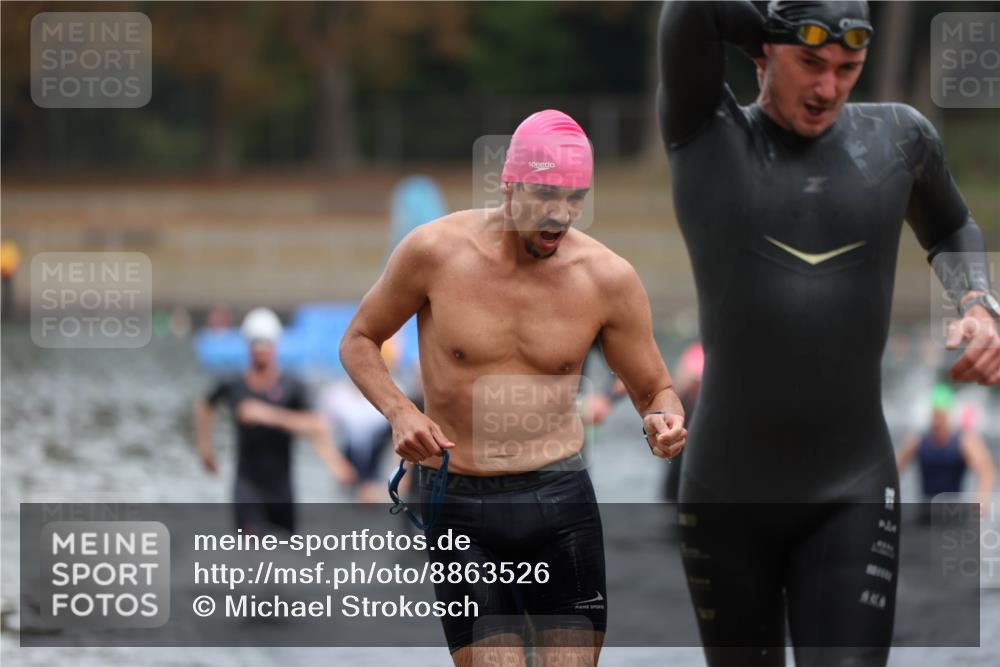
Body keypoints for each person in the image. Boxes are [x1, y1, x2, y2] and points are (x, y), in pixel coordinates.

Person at [657, 1, 1000, 665]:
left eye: (848, 67)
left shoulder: (898, 140)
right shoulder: (706, 134)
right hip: (728, 495)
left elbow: (953, 226)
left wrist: (979, 303)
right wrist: (770, 23)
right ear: (761, 51)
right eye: (809, 62)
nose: (828, 88)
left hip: (853, 490)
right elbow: (690, 12)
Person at [340, 109, 686, 666]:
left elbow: (656, 389)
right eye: (547, 193)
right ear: (510, 183)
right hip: (460, 505)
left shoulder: (606, 278)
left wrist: (662, 419)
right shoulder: (434, 252)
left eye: (575, 197)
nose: (560, 214)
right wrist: (401, 412)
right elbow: (358, 340)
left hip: (562, 502)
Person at [194, 307, 354, 534]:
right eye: (255, 344)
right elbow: (204, 406)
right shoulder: (233, 384)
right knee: (252, 552)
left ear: (275, 345)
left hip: (281, 489)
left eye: (265, 343)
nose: (260, 350)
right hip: (247, 488)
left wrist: (334, 463)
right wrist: (205, 450)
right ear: (248, 346)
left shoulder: (291, 386)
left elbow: (315, 425)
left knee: (284, 556)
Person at [896, 384, 996, 512]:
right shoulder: (917, 440)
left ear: (949, 414)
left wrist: (981, 501)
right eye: (935, 414)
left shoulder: (965, 441)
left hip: (952, 511)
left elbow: (986, 470)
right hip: (926, 510)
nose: (937, 420)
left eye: (941, 415)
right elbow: (894, 470)